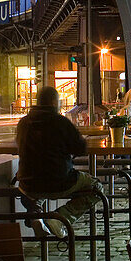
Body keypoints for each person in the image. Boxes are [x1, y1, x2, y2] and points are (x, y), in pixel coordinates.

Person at [15, 86, 101, 238]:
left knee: (29, 193)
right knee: (96, 187)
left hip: (27, 183)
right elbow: (81, 148)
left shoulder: (23, 123)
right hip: (59, 181)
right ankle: (61, 217)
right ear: (54, 102)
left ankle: (36, 215)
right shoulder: (61, 122)